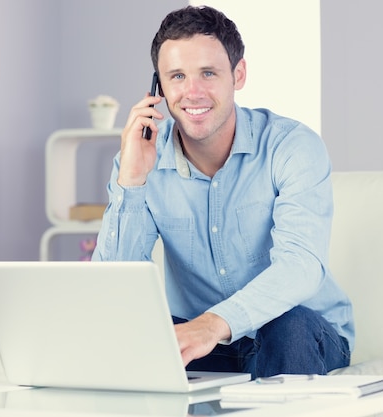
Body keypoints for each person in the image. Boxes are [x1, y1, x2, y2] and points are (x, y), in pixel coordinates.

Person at [92, 5, 354, 378]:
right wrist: (132, 180)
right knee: (125, 335)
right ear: (158, 87)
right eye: (177, 76)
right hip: (203, 344)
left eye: (208, 73)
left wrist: (214, 324)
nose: (192, 92)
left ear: (239, 74)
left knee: (288, 327)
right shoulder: (140, 159)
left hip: (299, 335)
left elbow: (301, 266)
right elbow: (114, 289)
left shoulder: (292, 146)